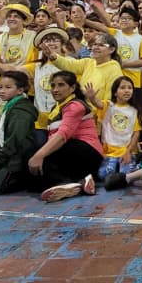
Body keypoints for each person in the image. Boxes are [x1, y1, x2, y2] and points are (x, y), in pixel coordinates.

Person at [33, 71, 107, 202]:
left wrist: (38, 155)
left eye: (61, 85)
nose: (55, 89)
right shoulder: (56, 108)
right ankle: (79, 184)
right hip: (71, 156)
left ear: (72, 88)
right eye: (53, 85)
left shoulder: (76, 106)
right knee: (34, 166)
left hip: (87, 154)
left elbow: (63, 135)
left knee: (48, 151)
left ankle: (65, 183)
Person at [0, 71, 39, 195]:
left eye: (8, 87)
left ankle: (22, 177)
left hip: (19, 155)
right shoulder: (11, 105)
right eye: (0, 87)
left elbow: (15, 140)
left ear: (20, 90)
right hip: (11, 151)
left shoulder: (20, 111)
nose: (2, 91)